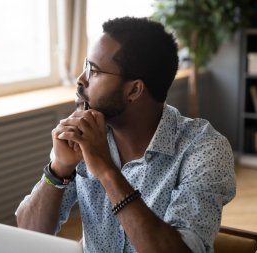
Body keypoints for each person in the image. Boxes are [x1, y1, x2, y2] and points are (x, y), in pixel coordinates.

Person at [16, 16, 236, 253]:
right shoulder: (83, 136)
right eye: (84, 66)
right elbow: (28, 234)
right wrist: (58, 169)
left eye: (94, 71)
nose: (80, 80)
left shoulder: (205, 149)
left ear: (134, 90)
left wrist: (106, 171)